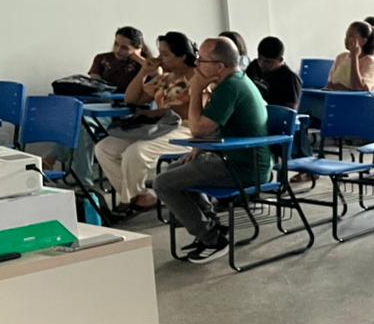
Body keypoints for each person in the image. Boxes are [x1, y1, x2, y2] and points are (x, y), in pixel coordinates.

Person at [153, 38, 271, 264]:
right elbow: (212, 128)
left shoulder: (230, 87)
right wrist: (199, 148)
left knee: (163, 183)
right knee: (175, 170)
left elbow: (197, 128)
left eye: (202, 60)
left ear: (219, 66)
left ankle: (212, 240)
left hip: (244, 167)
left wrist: (196, 88)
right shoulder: (231, 82)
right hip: (230, 157)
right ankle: (211, 226)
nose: (197, 64)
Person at [94, 32, 197, 215]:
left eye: (165, 54)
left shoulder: (197, 78)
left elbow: (193, 111)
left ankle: (128, 201)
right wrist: (144, 71)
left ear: (182, 57)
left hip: (187, 128)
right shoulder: (165, 78)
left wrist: (160, 112)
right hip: (161, 126)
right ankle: (140, 196)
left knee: (136, 152)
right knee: (104, 148)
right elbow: (131, 99)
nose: (159, 58)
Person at [244, 36, 302, 110]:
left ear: (280, 60)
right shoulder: (253, 67)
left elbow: (290, 111)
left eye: (268, 62)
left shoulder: (290, 79)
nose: (261, 64)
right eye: (259, 58)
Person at [88, 26, 148, 91]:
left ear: (137, 49)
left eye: (125, 48)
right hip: (104, 95)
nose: (118, 50)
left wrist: (138, 58)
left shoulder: (140, 63)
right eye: (116, 44)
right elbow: (95, 83)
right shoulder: (101, 58)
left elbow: (153, 71)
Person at [327, 21, 374, 92]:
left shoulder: (372, 62)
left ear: (363, 41)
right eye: (346, 35)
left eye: (351, 36)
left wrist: (354, 56)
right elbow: (330, 85)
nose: (346, 39)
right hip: (334, 97)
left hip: (357, 99)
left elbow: (358, 88)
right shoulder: (341, 57)